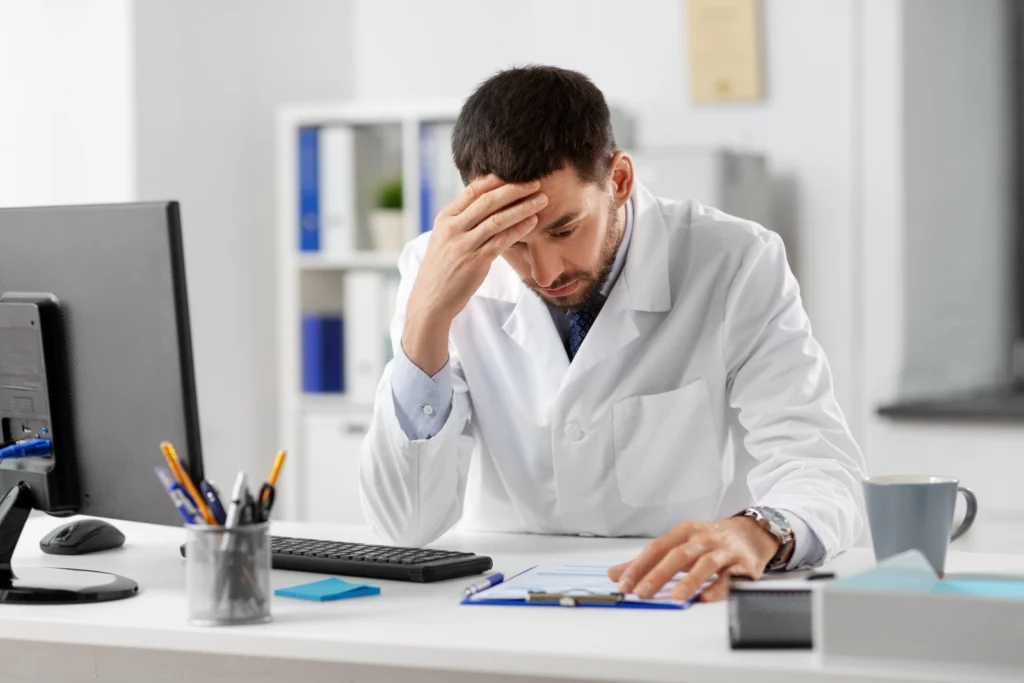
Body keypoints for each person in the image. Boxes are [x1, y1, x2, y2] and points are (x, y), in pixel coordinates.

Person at [359, 65, 866, 603]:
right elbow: (405, 525)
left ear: (618, 180)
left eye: (563, 229)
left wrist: (761, 530)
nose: (545, 272)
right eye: (514, 242)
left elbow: (822, 466)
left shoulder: (736, 261)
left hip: (674, 595)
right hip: (500, 598)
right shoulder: (436, 269)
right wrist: (427, 318)